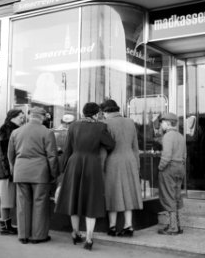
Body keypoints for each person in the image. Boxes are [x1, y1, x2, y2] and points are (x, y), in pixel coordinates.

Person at [55, 102, 115, 251]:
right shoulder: (100, 127)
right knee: (91, 201)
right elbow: (111, 144)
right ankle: (89, 238)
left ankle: (75, 233)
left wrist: (63, 169)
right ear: (96, 114)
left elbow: (68, 148)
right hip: (92, 164)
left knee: (73, 198)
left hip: (74, 163)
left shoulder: (73, 126)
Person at [8, 106, 58, 244]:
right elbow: (52, 156)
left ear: (30, 116)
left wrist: (15, 169)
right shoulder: (47, 132)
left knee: (22, 204)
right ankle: (38, 236)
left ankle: (23, 235)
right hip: (40, 174)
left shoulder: (16, 132)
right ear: (42, 117)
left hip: (21, 172)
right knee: (40, 204)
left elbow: (10, 155)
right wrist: (54, 174)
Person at [100, 99, 143, 237]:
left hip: (113, 160)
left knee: (112, 192)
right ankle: (128, 226)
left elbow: (103, 149)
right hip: (130, 159)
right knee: (128, 192)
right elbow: (135, 146)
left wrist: (100, 166)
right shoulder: (130, 122)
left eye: (103, 113)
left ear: (105, 111)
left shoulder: (105, 123)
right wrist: (137, 165)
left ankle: (112, 227)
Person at [0, 109, 24, 235]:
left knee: (7, 199)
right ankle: (4, 226)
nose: (23, 119)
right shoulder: (8, 130)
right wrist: (9, 170)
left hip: (6, 169)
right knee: (6, 199)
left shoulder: (9, 128)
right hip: (7, 170)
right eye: (20, 117)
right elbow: (5, 153)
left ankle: (5, 225)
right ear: (13, 117)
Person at [157, 112, 186, 235]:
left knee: (169, 196)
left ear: (168, 123)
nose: (161, 125)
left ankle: (172, 227)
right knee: (176, 196)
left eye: (162, 122)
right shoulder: (180, 136)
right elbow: (185, 156)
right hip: (180, 167)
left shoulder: (168, 136)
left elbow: (167, 156)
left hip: (169, 168)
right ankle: (178, 225)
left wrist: (160, 167)